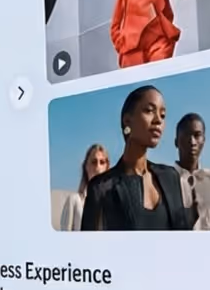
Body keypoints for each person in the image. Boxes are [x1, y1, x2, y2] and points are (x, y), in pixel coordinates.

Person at [80, 86, 196, 231]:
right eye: (149, 110)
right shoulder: (102, 188)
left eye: (163, 115)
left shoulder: (171, 177)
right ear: (127, 121)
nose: (158, 120)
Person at [173, 113, 210, 230]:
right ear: (176, 142)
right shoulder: (164, 181)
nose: (192, 142)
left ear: (204, 140)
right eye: (186, 135)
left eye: (197, 135)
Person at [58, 144, 108, 231]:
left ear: (107, 168)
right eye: (93, 162)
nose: (98, 167)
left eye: (102, 162)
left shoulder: (112, 204)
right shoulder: (74, 201)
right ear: (86, 167)